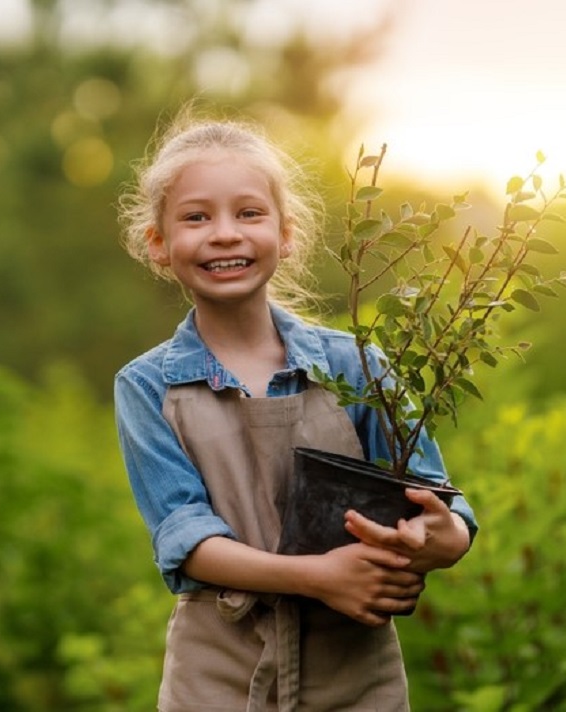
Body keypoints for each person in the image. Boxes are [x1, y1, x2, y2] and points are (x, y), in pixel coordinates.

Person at [113, 111, 478, 711]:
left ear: (287, 234)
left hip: (355, 673)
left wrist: (439, 536)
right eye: (196, 217)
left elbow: (445, 506)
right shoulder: (148, 386)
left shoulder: (359, 365)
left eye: (249, 213)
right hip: (217, 673)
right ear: (159, 245)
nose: (225, 233)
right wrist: (322, 577)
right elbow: (186, 540)